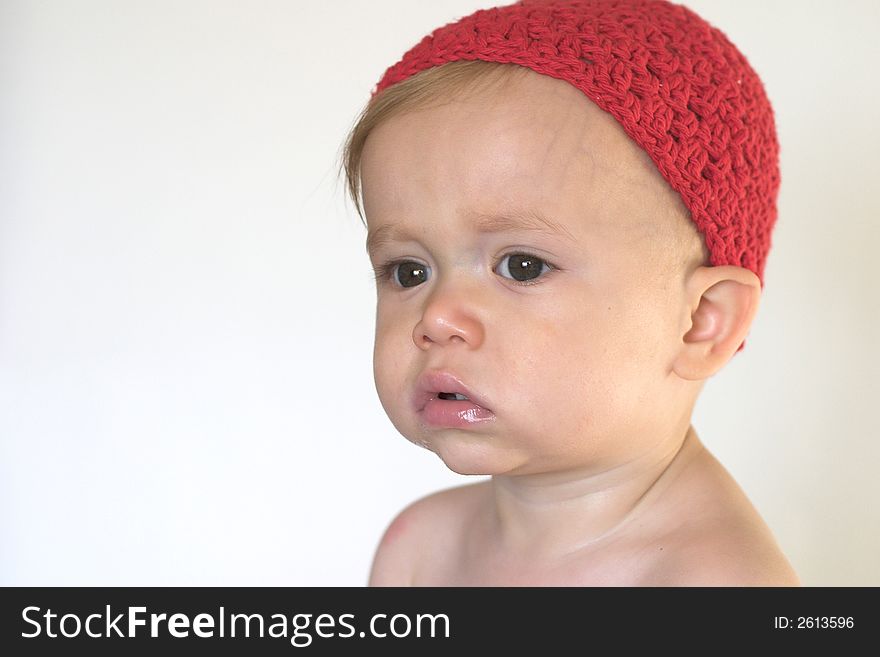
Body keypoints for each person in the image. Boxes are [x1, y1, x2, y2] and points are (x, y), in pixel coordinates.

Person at [340, 0, 800, 585]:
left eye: (522, 266)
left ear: (700, 321)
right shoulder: (421, 550)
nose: (436, 318)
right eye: (408, 271)